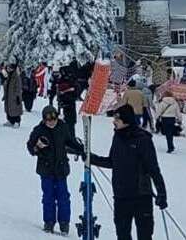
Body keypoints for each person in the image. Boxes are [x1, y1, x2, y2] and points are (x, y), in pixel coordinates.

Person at [90, 105, 168, 240]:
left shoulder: (143, 139)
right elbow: (112, 162)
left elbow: (153, 169)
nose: (114, 121)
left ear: (126, 120)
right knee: (122, 234)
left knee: (145, 235)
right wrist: (90, 158)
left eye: (117, 119)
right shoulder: (118, 136)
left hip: (141, 196)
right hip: (121, 196)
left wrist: (162, 193)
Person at [26, 105, 85, 234]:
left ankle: (64, 223)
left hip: (61, 168)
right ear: (44, 120)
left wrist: (81, 149)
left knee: (63, 196)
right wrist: (37, 147)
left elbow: (70, 141)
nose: (52, 122)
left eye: (54, 119)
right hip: (46, 169)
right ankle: (49, 222)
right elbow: (30, 147)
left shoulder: (63, 127)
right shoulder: (38, 130)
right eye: (49, 120)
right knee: (48, 196)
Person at [56, 70, 79, 137]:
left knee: (70, 123)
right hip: (68, 103)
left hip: (68, 103)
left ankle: (70, 138)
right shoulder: (65, 79)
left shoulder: (66, 79)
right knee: (70, 123)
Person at [3, 63, 24, 127]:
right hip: (8, 95)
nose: (8, 69)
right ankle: (10, 120)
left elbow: (18, 87)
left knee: (16, 109)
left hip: (14, 96)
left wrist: (17, 96)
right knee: (9, 108)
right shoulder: (9, 76)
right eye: (8, 68)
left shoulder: (16, 77)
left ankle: (17, 121)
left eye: (10, 68)